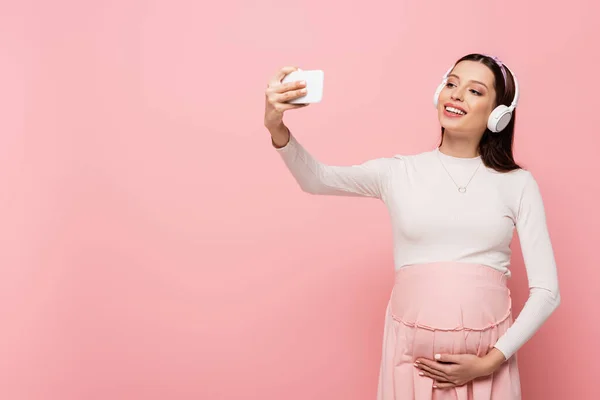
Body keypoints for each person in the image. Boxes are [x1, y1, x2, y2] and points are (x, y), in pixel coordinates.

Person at [263, 53, 560, 399]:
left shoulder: (518, 184)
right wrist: (276, 127)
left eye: (475, 91)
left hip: (487, 374)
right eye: (451, 84)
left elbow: (546, 292)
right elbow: (316, 179)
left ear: (499, 115)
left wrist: (490, 362)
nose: (456, 95)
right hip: (408, 367)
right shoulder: (398, 172)